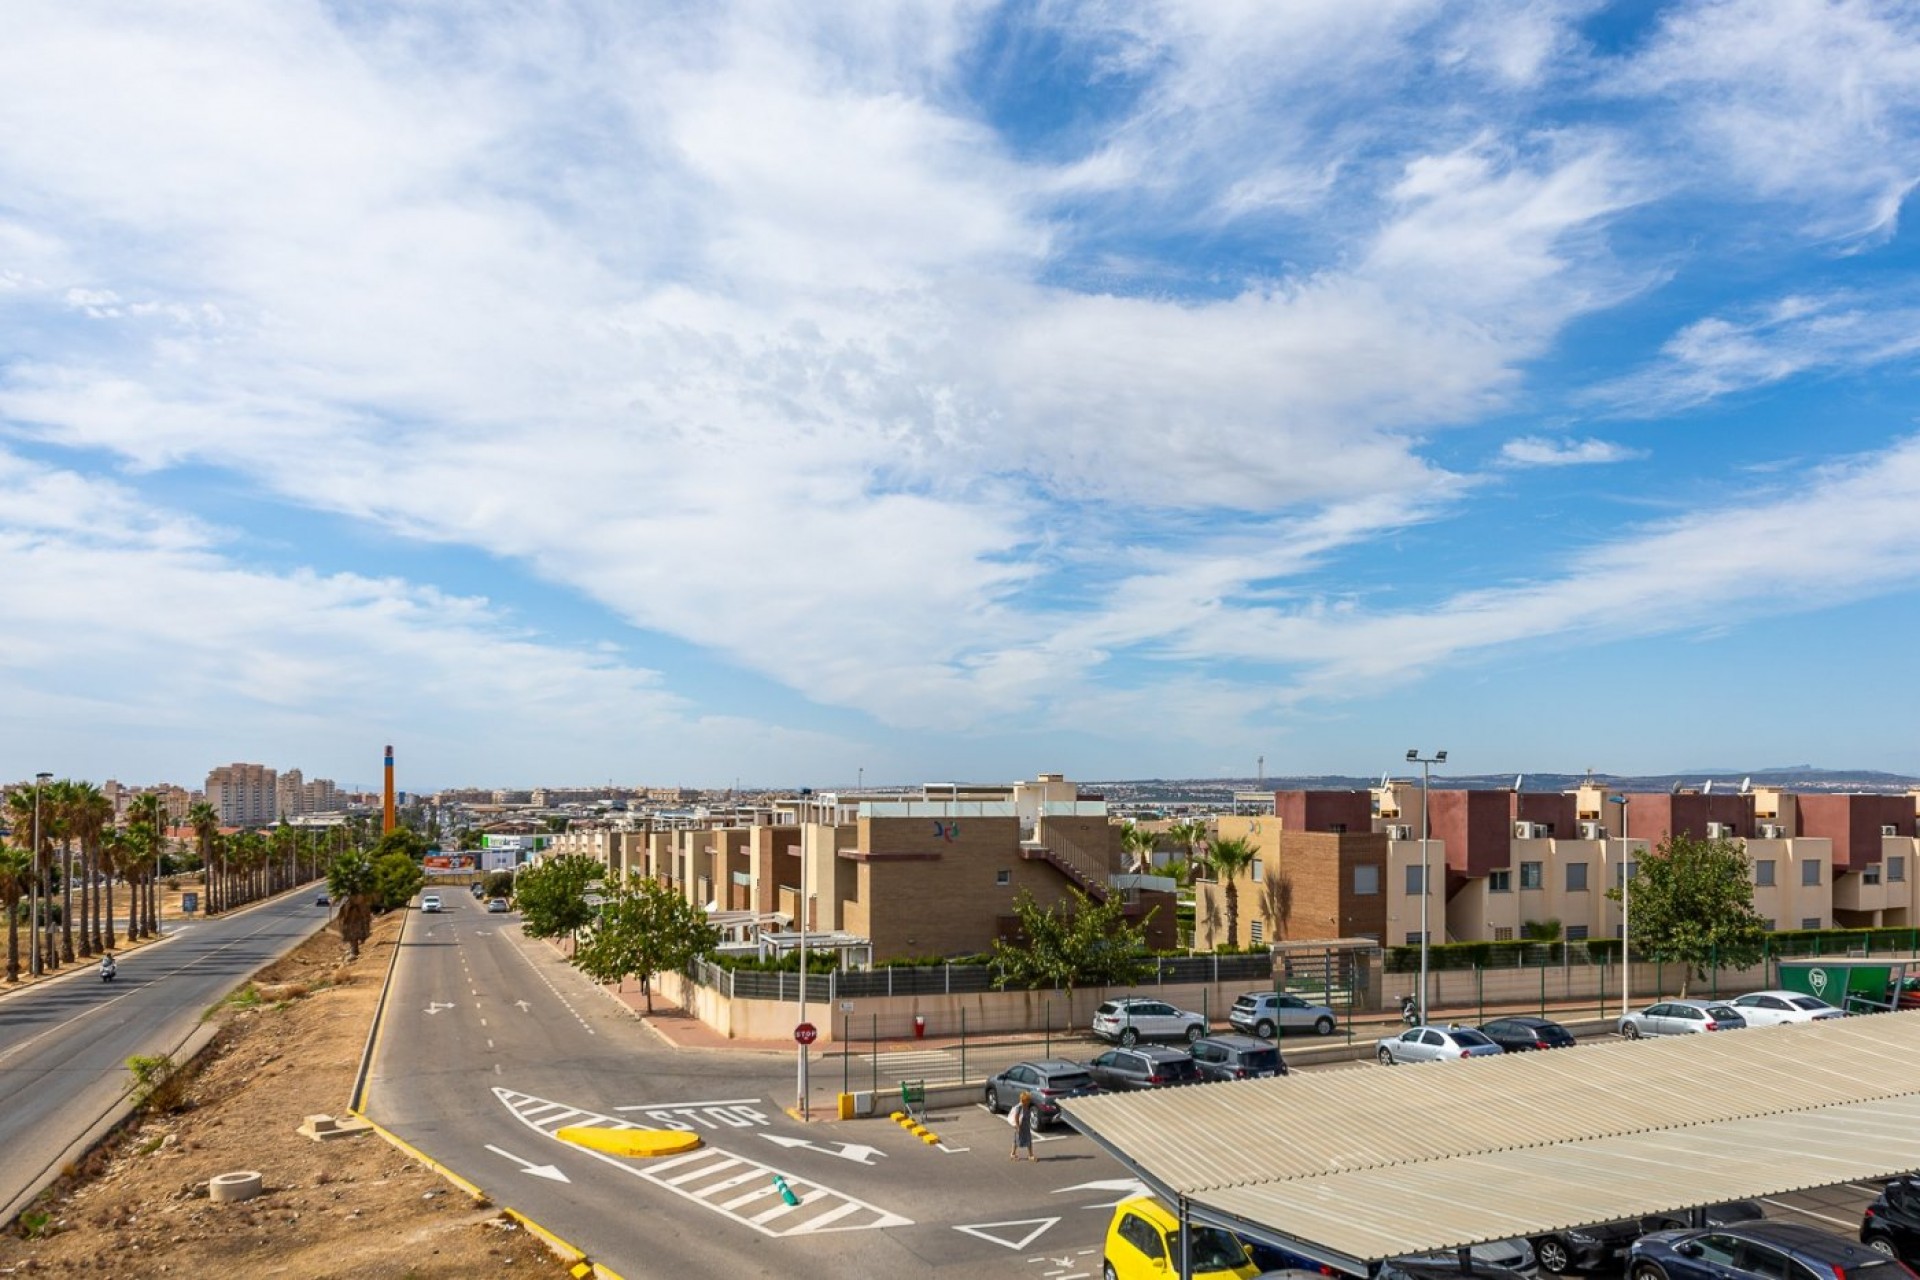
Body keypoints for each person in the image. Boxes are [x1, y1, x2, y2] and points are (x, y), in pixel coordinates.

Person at [1010, 1091, 1035, 1161]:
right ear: (1024, 1100)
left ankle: (1031, 1155)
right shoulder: (1019, 1107)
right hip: (1020, 1127)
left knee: (1028, 1140)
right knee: (1017, 1140)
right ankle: (1013, 1154)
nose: (1030, 1101)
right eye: (1028, 1099)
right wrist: (1018, 1127)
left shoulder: (1026, 1106)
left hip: (1026, 1127)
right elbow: (1016, 1117)